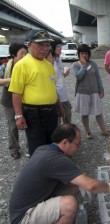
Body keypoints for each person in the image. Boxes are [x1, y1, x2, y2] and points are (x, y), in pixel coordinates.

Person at [9, 123, 110, 224]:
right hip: (23, 217)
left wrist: (82, 186)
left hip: (25, 206)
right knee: (69, 204)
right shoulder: (57, 160)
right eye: (77, 144)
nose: (78, 148)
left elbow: (77, 181)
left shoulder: (44, 149)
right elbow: (91, 185)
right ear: (65, 142)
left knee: (77, 186)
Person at [8, 29, 64, 157]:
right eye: (40, 45)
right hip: (33, 113)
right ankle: (39, 174)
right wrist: (18, 115)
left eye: (47, 45)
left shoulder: (48, 65)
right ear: (29, 45)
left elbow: (52, 88)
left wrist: (59, 107)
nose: (44, 48)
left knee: (52, 143)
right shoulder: (22, 65)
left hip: (51, 111)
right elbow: (16, 92)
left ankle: (50, 169)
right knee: (37, 146)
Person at [72, 44, 110, 139]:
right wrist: (84, 65)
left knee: (98, 112)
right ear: (78, 54)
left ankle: (104, 130)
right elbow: (78, 76)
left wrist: (101, 89)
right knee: (84, 113)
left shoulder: (93, 64)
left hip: (94, 91)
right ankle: (88, 132)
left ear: (89, 54)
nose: (84, 55)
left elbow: (98, 77)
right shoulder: (75, 65)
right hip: (82, 92)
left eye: (86, 53)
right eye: (82, 53)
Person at [0, 43, 28, 159]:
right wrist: (12, 79)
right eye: (22, 53)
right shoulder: (5, 65)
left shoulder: (28, 65)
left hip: (25, 99)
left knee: (28, 124)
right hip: (8, 99)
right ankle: (14, 148)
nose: (24, 56)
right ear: (13, 54)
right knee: (12, 126)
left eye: (26, 53)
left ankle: (29, 147)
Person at [51, 37, 73, 124]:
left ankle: (67, 134)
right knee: (57, 118)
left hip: (62, 93)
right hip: (55, 94)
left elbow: (59, 75)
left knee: (67, 114)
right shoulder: (49, 61)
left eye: (61, 46)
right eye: (58, 46)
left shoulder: (58, 59)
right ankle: (59, 136)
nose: (60, 49)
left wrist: (64, 74)